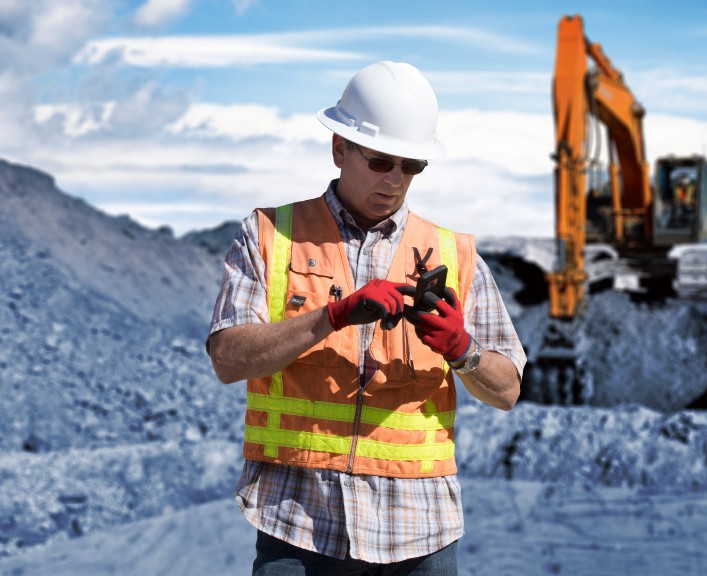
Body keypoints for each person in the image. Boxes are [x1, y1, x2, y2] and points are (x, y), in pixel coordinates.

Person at [207, 60, 526, 575]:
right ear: (340, 149)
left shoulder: (456, 253)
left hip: (421, 533)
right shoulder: (269, 235)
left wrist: (462, 350)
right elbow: (227, 357)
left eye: (412, 166)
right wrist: (332, 315)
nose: (396, 181)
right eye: (381, 162)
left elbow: (507, 390)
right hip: (300, 523)